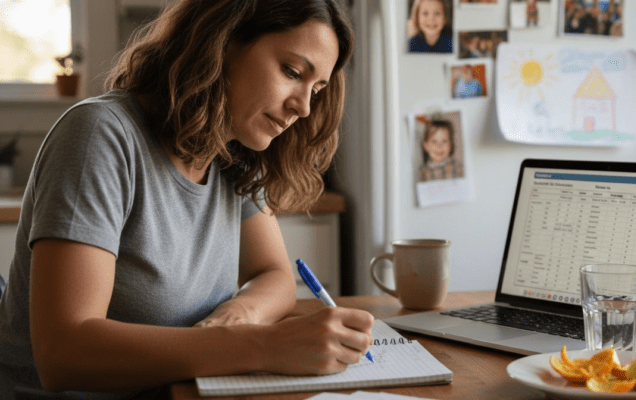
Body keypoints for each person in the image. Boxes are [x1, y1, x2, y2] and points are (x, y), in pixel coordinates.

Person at [0, 0, 375, 398]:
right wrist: (266, 345)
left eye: (316, 89)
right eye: (292, 72)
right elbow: (63, 354)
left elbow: (276, 275)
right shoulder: (100, 136)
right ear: (224, 41)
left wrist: (238, 314)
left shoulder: (232, 153)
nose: (302, 106)